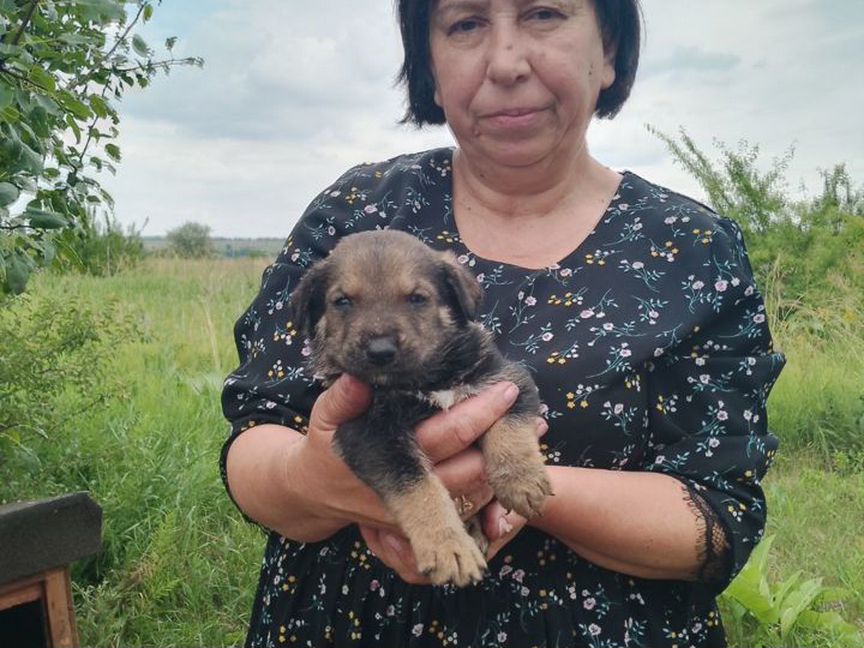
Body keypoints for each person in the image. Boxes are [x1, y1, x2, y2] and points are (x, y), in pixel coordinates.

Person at [220, 0, 785, 646]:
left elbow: (719, 518)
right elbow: (253, 433)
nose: (507, 62)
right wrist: (309, 481)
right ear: (429, 66)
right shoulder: (354, 214)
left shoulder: (692, 250)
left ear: (610, 48)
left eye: (544, 13)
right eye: (465, 23)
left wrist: (508, 488)